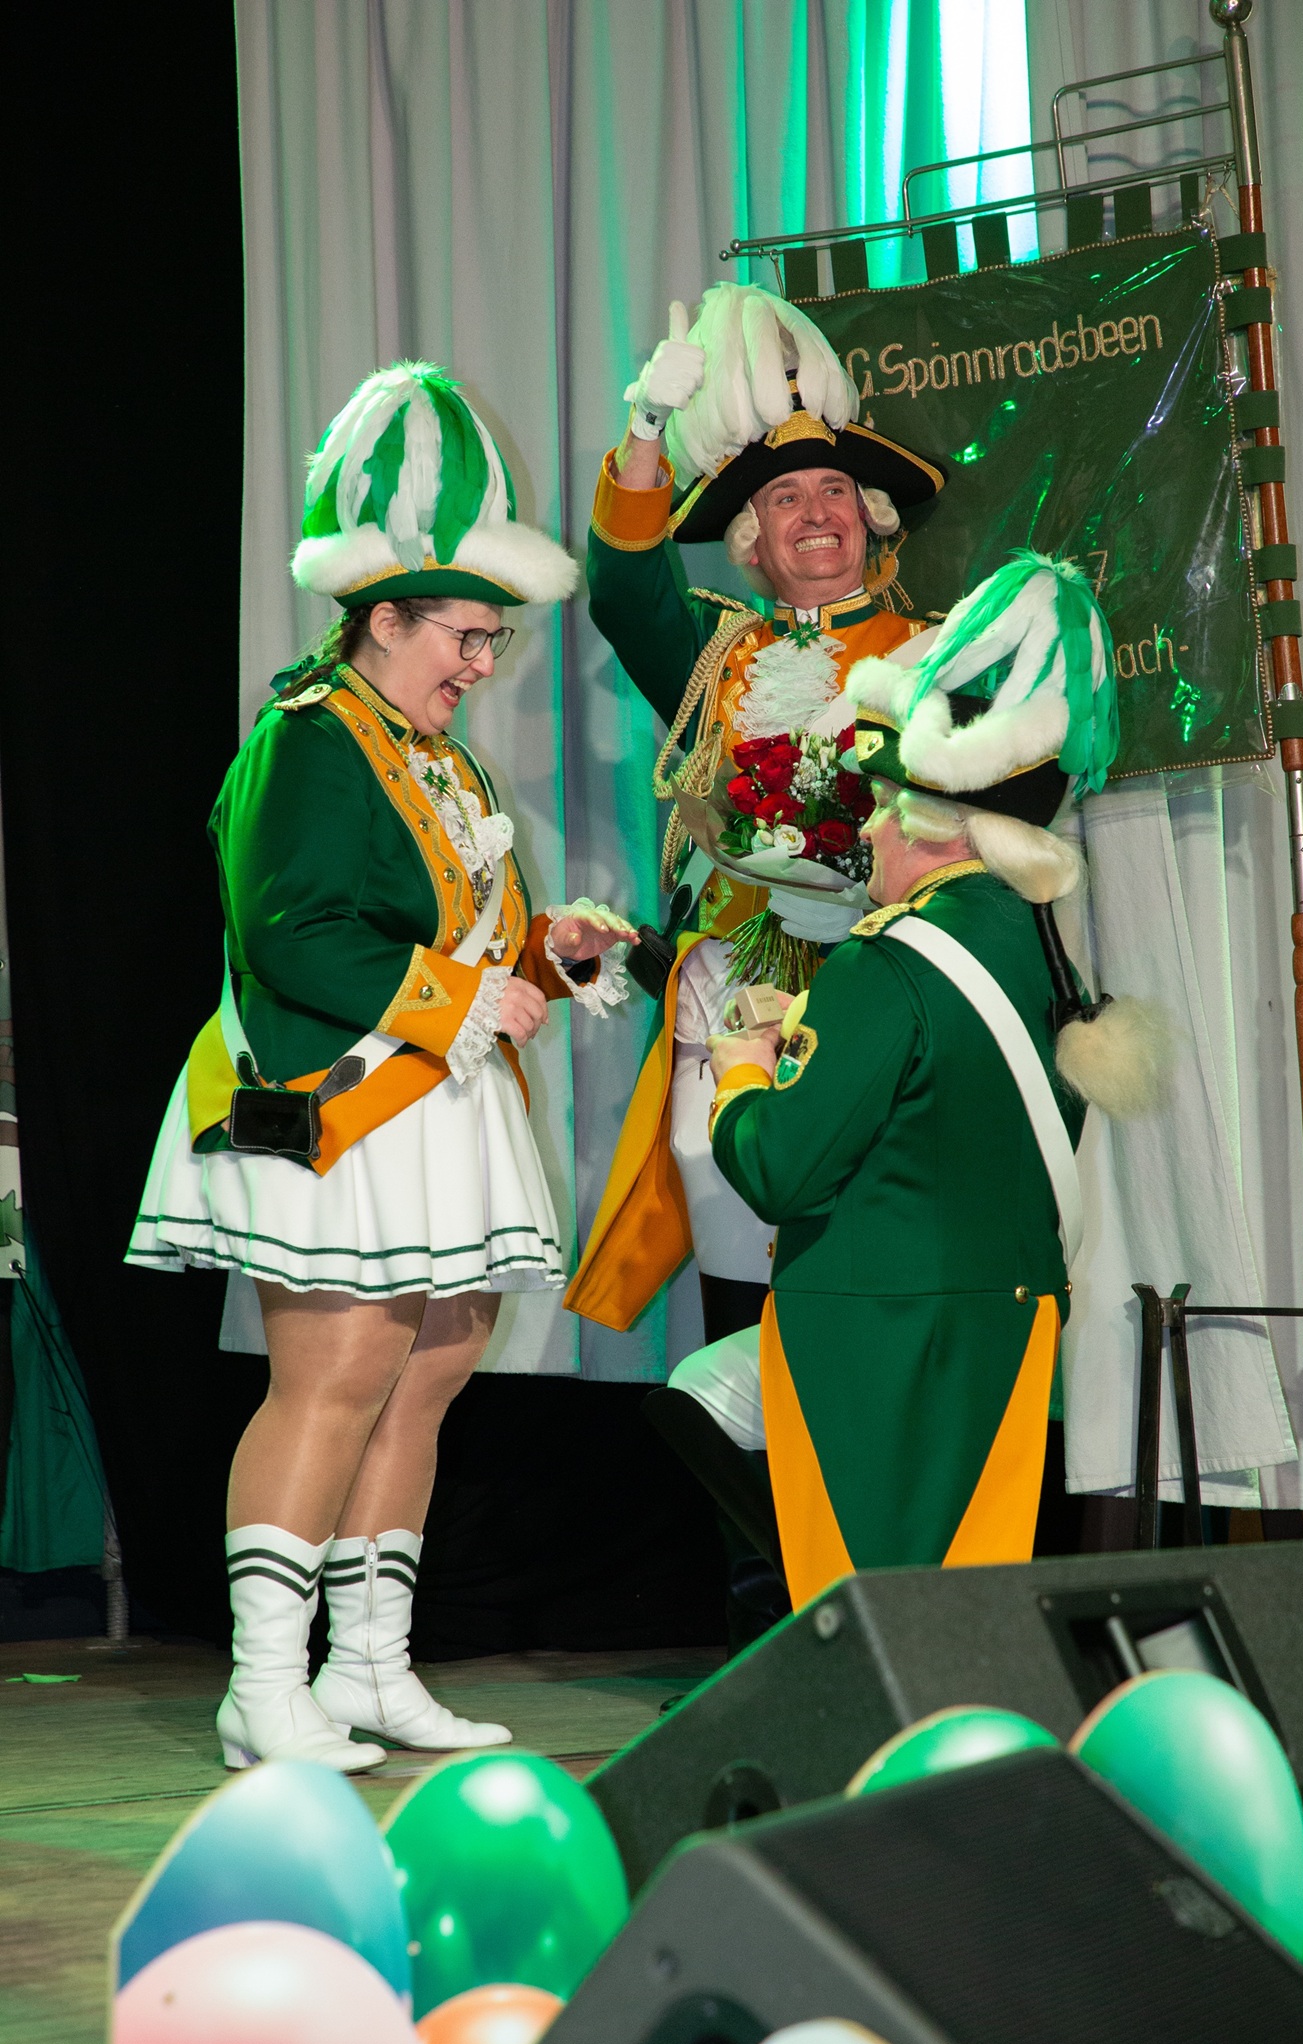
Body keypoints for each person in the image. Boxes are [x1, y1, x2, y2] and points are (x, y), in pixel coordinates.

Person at [128, 362, 636, 1772]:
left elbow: (462, 942)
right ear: (383, 616)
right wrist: (467, 993)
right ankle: (260, 1687)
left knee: (431, 1371)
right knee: (338, 1373)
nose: (481, 663)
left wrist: (549, 955)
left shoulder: (446, 765)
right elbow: (291, 932)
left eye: (492, 639)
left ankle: (367, 1666)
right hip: (328, 1101)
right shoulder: (307, 740)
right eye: (464, 636)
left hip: (434, 1106)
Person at [677, 553, 1159, 1606]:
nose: (866, 830)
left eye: (882, 807)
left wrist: (740, 1072)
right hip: (1007, 1324)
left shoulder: (883, 963)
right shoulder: (1042, 952)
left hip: (875, 1333)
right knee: (966, 1604)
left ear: (923, 824)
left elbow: (779, 1169)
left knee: (866, 1606)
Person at [563, 283, 947, 1352]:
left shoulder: (934, 655)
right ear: (749, 537)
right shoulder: (717, 655)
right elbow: (623, 592)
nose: (816, 512)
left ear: (871, 519)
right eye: (785, 498)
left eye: (834, 490)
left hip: (881, 1011)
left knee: (867, 1294)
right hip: (731, 1016)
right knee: (742, 1305)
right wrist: (646, 428)